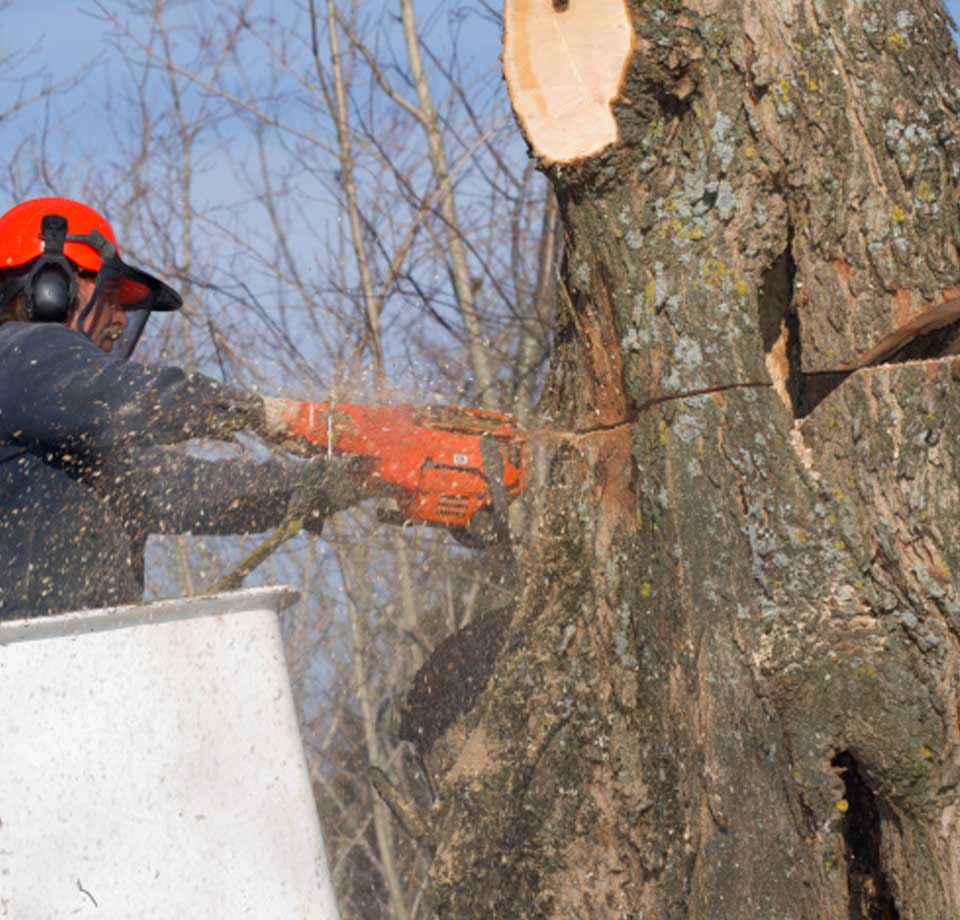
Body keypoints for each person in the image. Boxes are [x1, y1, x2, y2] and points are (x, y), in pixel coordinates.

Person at [0, 197, 348, 620]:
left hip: (72, 659)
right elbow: (127, 399)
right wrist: (259, 412)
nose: (121, 319)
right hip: (30, 662)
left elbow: (189, 489)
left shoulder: (65, 434)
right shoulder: (22, 351)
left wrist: (328, 482)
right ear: (52, 287)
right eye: (110, 295)